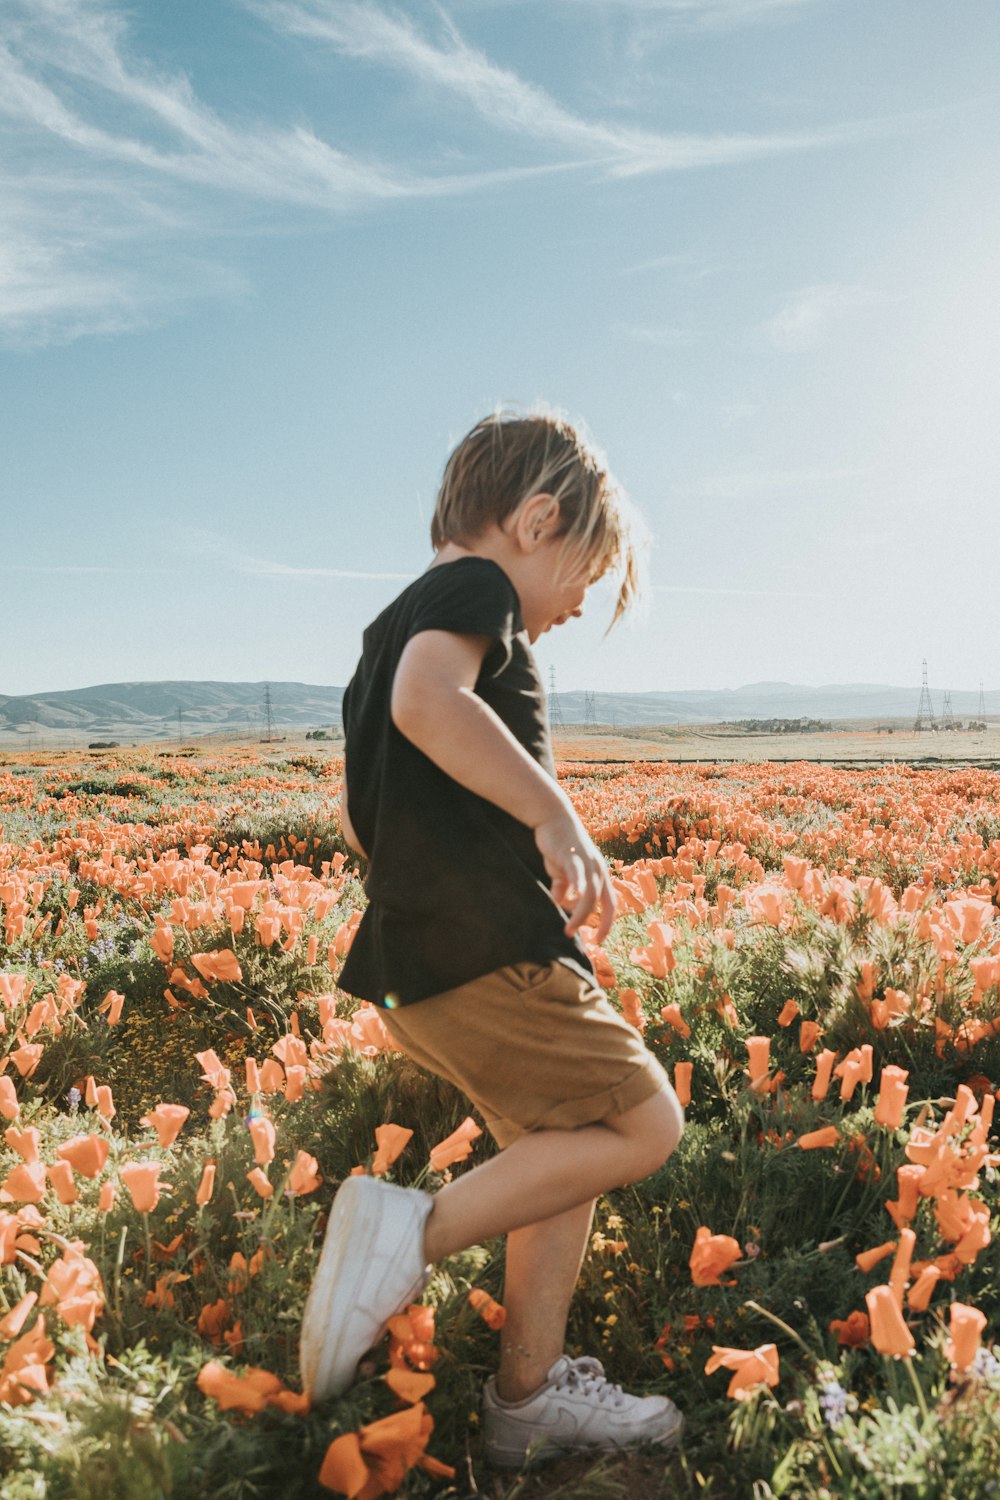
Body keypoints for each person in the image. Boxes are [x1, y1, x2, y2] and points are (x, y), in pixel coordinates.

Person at [299, 409, 685, 1469]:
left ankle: (525, 1405)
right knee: (647, 1125)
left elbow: (358, 808)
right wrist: (552, 815)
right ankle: (402, 1237)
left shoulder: (381, 636)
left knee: (562, 1151)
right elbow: (434, 704)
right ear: (535, 519)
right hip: (485, 946)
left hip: (421, 960)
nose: (571, 609)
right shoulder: (473, 594)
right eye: (584, 575)